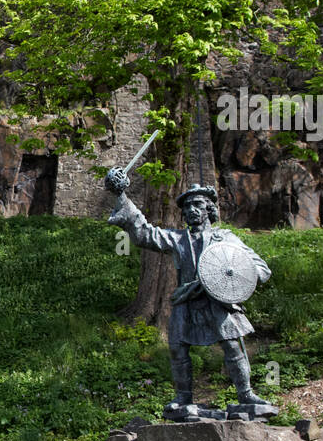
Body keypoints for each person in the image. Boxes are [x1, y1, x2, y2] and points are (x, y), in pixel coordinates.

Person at [104, 167, 272, 412]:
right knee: (177, 348)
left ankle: (246, 395)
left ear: (209, 210)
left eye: (198, 205)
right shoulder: (178, 239)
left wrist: (240, 279)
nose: (191, 210)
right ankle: (183, 398)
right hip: (187, 300)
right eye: (187, 206)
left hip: (218, 300)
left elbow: (259, 267)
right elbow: (145, 234)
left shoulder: (226, 239)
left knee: (233, 346)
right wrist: (122, 196)